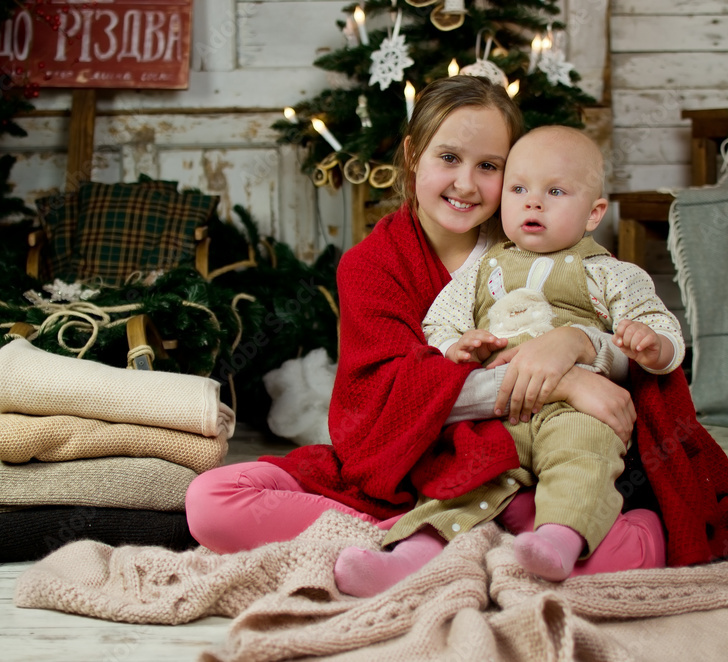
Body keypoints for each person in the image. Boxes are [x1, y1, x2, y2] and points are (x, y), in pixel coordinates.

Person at [185, 76, 666, 594]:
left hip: (516, 460)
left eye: (489, 167)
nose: (465, 183)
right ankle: (443, 540)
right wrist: (560, 381)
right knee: (212, 499)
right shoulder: (371, 265)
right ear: (413, 154)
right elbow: (384, 396)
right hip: (401, 469)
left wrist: (578, 343)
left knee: (569, 510)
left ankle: (432, 549)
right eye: (449, 158)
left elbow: (631, 331)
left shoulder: (540, 240)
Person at [376, 125, 686, 583]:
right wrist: (456, 346)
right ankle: (410, 556)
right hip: (500, 410)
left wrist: (649, 345)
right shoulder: (481, 269)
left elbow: (664, 334)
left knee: (584, 457)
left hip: (576, 409)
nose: (533, 202)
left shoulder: (612, 274)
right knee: (464, 469)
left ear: (593, 213)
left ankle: (558, 540)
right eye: (519, 189)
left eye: (555, 191)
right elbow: (437, 326)